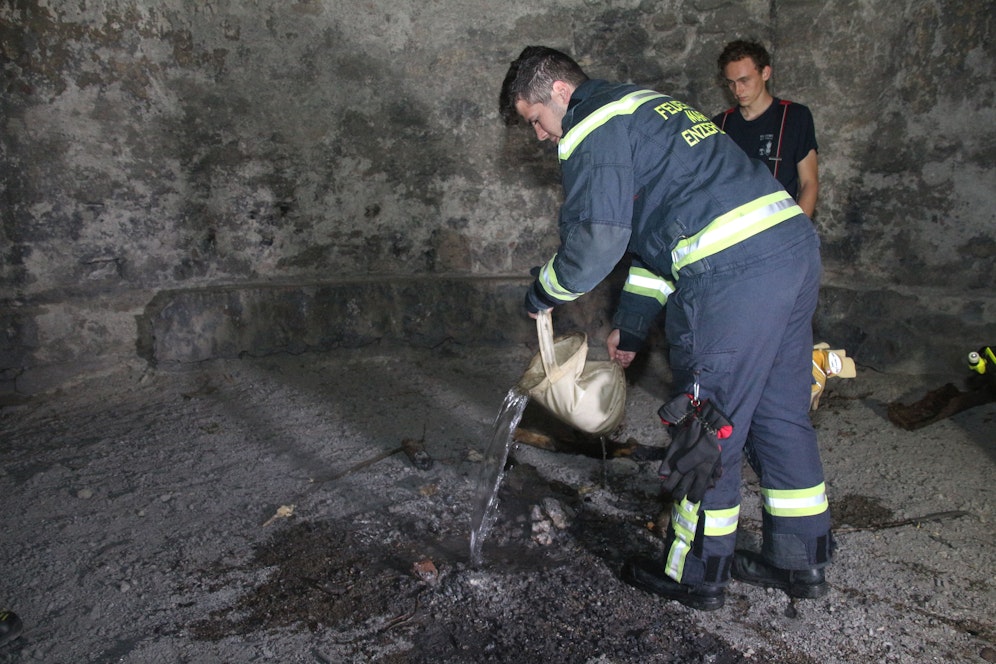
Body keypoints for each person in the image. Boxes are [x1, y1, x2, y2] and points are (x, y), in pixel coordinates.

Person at [499, 46, 833, 611]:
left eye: (535, 118)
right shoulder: (643, 107)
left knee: (708, 425)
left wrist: (542, 292)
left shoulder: (591, 124)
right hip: (790, 250)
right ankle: (799, 563)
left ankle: (696, 574)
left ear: (558, 92)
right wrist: (630, 329)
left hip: (735, 271)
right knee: (778, 415)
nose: (540, 136)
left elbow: (597, 242)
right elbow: (663, 239)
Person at [713, 40, 819, 218]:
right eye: (731, 83)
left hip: (780, 226)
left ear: (765, 73)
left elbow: (809, 182)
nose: (738, 90)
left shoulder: (794, 116)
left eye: (744, 80)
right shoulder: (720, 124)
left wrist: (798, 232)